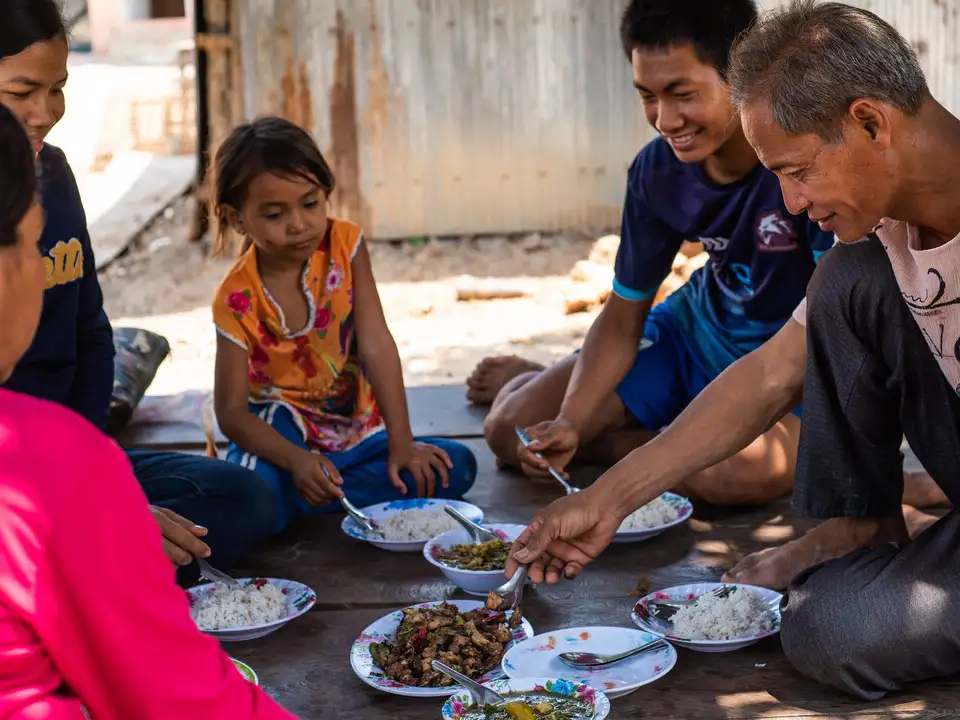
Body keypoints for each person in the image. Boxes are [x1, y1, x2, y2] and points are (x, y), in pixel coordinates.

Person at [512, 0, 960, 701]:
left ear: (870, 123)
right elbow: (772, 373)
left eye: (798, 170)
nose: (792, 201)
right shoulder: (874, 242)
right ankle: (861, 526)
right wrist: (607, 500)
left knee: (832, 630)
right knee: (847, 280)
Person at [472, 0, 835, 507]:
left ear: (744, 73)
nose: (664, 120)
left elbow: (834, 329)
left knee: (731, 476)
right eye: (647, 96)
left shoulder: (803, 163)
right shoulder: (657, 172)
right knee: (510, 432)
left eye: (682, 94)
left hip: (786, 364)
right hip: (691, 339)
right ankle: (632, 424)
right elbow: (624, 318)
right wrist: (571, 421)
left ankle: (646, 438)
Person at [0, 103, 296, 720]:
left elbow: (92, 332)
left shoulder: (60, 458)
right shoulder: (39, 460)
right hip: (66, 478)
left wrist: (100, 487)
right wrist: (97, 504)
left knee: (238, 498)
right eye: (31, 244)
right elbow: (184, 699)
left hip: (81, 467)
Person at [0, 0, 274, 586]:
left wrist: (88, 471)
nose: (46, 113)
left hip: (69, 456)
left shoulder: (55, 174)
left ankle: (86, 573)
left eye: (58, 89)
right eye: (21, 92)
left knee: (244, 499)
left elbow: (90, 330)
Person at [210, 117, 477, 533]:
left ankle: (306, 495)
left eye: (311, 204)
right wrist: (297, 461)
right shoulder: (235, 298)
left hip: (352, 426)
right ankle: (303, 489)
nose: (299, 224)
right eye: (276, 213)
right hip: (282, 436)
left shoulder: (345, 245)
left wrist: (403, 444)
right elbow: (231, 413)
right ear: (237, 218)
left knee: (454, 466)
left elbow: (376, 344)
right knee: (250, 497)